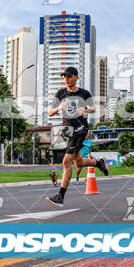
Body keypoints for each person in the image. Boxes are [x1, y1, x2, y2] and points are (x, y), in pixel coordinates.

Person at [45, 66, 108, 208]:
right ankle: (99, 163)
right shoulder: (60, 93)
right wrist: (59, 108)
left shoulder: (84, 93)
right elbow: (50, 112)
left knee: (66, 162)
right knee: (78, 163)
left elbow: (93, 108)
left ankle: (60, 196)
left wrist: (85, 110)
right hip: (67, 130)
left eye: (69, 76)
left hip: (80, 129)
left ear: (76, 77)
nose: (66, 79)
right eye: (64, 77)